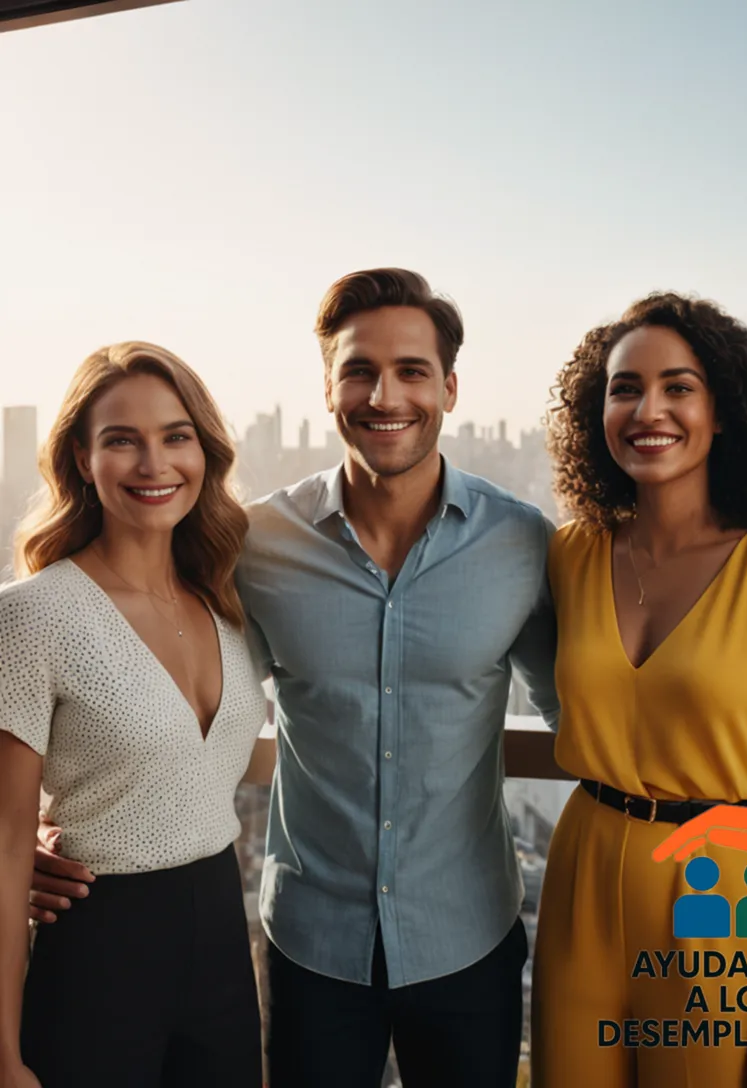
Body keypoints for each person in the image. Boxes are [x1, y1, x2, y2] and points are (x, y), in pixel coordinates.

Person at [30, 270, 560, 1088]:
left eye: (413, 370)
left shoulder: (523, 544)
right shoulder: (256, 546)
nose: (385, 395)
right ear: (328, 387)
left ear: (450, 387)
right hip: (313, 948)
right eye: (359, 371)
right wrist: (30, 833)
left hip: (470, 941)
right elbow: (147, 683)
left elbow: (587, 716)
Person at [530, 293, 747, 1088]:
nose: (649, 409)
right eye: (624, 388)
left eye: (679, 387)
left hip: (722, 890)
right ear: (596, 411)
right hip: (580, 875)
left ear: (722, 412)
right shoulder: (571, 554)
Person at [0, 344, 268, 1088]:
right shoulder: (33, 618)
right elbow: (6, 843)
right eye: (122, 440)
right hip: (97, 947)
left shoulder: (228, 599)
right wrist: (2, 1056)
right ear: (83, 460)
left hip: (222, 941)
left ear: (204, 451)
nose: (154, 463)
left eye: (175, 436)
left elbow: (209, 760)